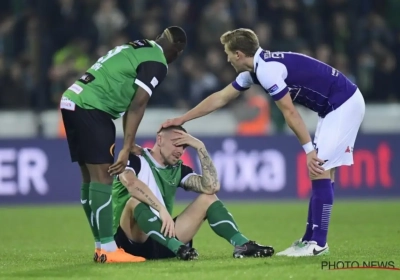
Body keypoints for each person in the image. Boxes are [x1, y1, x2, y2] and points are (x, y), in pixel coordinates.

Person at [160, 28, 365, 257]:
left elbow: (289, 112)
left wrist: (308, 150)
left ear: (238, 54)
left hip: (342, 104)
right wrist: (183, 118)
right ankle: (310, 239)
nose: (227, 59)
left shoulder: (267, 71)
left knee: (319, 170)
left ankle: (318, 243)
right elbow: (220, 98)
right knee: (323, 173)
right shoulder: (256, 70)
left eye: (228, 53)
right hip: (333, 107)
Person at [60, 26, 187, 263]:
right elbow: (138, 104)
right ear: (177, 50)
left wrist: (129, 142)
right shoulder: (158, 61)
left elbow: (130, 102)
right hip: (92, 107)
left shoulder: (140, 47)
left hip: (73, 100)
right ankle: (108, 249)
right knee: (104, 178)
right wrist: (126, 148)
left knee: (89, 178)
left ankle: (101, 247)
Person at [110, 125, 274, 262]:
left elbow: (212, 187)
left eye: (184, 146)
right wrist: (160, 208)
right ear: (159, 139)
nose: (180, 151)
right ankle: (177, 247)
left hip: (163, 241)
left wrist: (200, 147)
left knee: (208, 198)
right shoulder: (134, 158)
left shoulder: (178, 169)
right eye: (176, 144)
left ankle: (242, 244)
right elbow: (131, 184)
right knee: (134, 202)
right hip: (129, 241)